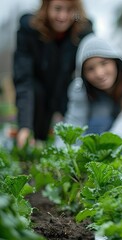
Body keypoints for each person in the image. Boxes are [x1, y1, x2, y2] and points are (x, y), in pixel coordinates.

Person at [13, 0, 93, 148]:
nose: (62, 16)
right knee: (34, 143)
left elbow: (86, 75)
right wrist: (25, 126)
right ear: (46, 7)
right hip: (37, 98)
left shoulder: (84, 32)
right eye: (57, 9)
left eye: (69, 10)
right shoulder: (29, 30)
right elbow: (24, 80)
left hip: (66, 94)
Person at [56, 33, 122, 145]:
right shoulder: (81, 89)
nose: (99, 73)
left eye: (104, 63)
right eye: (90, 69)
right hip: (100, 150)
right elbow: (74, 124)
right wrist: (63, 154)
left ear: (116, 62)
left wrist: (104, 149)